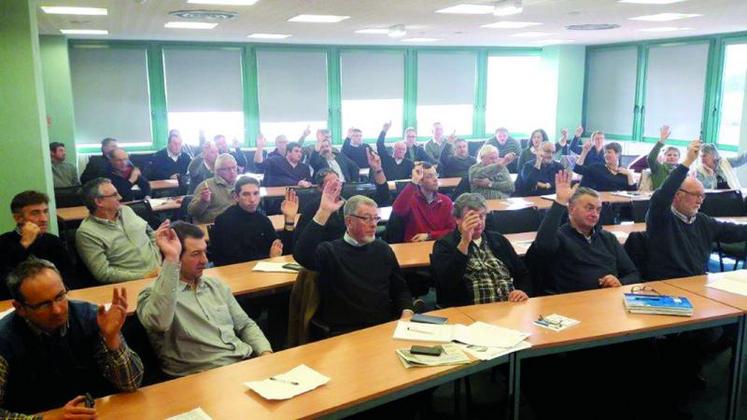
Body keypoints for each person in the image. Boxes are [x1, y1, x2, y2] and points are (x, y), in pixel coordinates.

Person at [0, 259, 143, 417]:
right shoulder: (4, 341)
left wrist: (112, 339)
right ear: (20, 308)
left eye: (60, 296)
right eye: (44, 305)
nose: (57, 309)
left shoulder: (91, 317)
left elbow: (130, 384)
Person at [137, 222, 272, 378]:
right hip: (203, 376)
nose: (205, 260)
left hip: (242, 363)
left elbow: (244, 324)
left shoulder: (215, 285)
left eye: (205, 252)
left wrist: (265, 353)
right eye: (195, 254)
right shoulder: (151, 294)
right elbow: (159, 323)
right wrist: (171, 259)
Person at [293, 181, 414, 335]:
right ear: (349, 221)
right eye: (366, 218)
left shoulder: (382, 249)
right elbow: (301, 254)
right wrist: (324, 211)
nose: (373, 225)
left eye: (376, 219)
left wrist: (407, 311)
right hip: (345, 332)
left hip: (383, 327)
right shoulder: (330, 251)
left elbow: (401, 289)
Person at [647, 140, 747, 280]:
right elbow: (663, 194)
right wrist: (687, 161)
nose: (700, 200)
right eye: (695, 195)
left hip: (698, 283)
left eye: (702, 196)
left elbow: (734, 231)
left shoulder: (703, 221)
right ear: (677, 195)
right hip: (668, 284)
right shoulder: (661, 218)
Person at [532, 171, 640, 294]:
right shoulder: (560, 237)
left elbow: (633, 274)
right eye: (589, 208)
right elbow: (542, 245)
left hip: (608, 300)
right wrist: (560, 201)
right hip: (573, 302)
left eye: (598, 210)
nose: (595, 214)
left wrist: (620, 282)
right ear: (571, 209)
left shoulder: (607, 238)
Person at [431, 193, 530, 307]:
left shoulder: (497, 239)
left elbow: (522, 274)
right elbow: (447, 283)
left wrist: (522, 291)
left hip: (510, 306)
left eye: (482, 216)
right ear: (457, 219)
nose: (479, 222)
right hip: (472, 311)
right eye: (472, 217)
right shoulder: (444, 245)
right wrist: (465, 241)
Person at [295, 150, 391, 244]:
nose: (336, 185)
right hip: (327, 253)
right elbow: (302, 242)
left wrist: (378, 170)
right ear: (320, 188)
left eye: (337, 181)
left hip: (353, 248)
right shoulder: (311, 208)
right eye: (330, 183)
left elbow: (383, 197)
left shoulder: (349, 202)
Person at [76, 178, 161, 283]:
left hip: (159, 273)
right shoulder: (87, 233)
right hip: (132, 283)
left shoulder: (127, 210)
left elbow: (151, 233)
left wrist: (158, 260)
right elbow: (104, 273)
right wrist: (144, 277)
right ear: (99, 202)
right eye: (114, 195)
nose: (120, 197)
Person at [0, 191, 73, 299]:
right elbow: (4, 282)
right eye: (35, 213)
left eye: (45, 211)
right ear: (18, 218)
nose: (44, 219)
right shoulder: (3, 242)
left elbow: (69, 276)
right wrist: (24, 244)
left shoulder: (53, 241)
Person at [211, 177, 298, 266]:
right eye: (246, 194)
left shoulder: (262, 219)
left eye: (256, 193)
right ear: (236, 197)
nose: (252, 199)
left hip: (265, 268)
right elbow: (233, 259)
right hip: (236, 273)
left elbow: (282, 250)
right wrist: (269, 257)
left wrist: (289, 220)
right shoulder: (224, 221)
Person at [392, 162, 456, 242]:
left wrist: (430, 236)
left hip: (439, 245)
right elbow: (397, 210)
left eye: (436, 175)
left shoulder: (446, 201)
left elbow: (452, 230)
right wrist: (413, 181)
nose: (435, 179)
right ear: (420, 181)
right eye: (430, 176)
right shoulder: (410, 199)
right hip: (414, 246)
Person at [188, 153, 239, 224]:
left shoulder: (241, 185)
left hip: (237, 224)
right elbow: (192, 212)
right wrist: (203, 201)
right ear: (217, 171)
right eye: (227, 169)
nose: (232, 172)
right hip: (212, 226)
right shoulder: (207, 186)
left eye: (234, 168)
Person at [646, 125, 680, 190]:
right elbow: (650, 159)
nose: (672, 157)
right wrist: (661, 140)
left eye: (675, 155)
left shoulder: (680, 171)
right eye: (669, 155)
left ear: (679, 158)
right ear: (663, 157)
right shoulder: (658, 168)